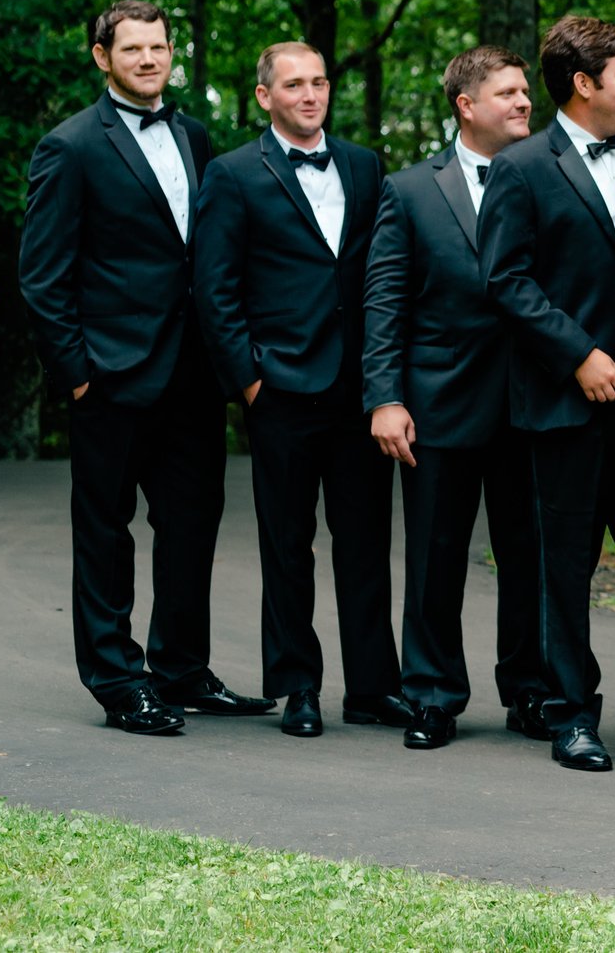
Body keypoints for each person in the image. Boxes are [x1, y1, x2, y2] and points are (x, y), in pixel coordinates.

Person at [20, 0, 267, 736]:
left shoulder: (193, 135)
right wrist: (77, 373)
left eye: (159, 46)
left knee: (192, 524)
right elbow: (41, 275)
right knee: (106, 531)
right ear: (103, 56)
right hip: (111, 373)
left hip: (194, 371)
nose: (150, 59)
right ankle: (118, 680)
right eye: (133, 49)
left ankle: (182, 669)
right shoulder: (68, 147)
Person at [477, 15, 615, 771]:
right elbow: (505, 280)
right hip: (566, 404)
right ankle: (572, 714)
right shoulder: (522, 167)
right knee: (563, 567)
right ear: (583, 83)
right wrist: (579, 356)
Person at [192, 42, 402, 739]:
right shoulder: (231, 175)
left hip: (356, 389)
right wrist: (250, 383)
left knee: (367, 542)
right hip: (279, 389)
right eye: (293, 84)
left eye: (318, 82)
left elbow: (380, 274)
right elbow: (214, 291)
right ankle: (297, 686)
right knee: (288, 543)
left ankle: (374, 686)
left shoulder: (366, 166)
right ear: (264, 96)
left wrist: (383, 378)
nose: (310, 94)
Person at [363, 45, 548, 750]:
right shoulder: (411, 189)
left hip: (533, 400)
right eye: (507, 92)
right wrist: (385, 395)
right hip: (439, 401)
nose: (524, 101)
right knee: (435, 556)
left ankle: (530, 691)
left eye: (526, 90)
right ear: (466, 106)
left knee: (530, 555)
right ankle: (433, 694)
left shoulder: (546, 177)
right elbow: (384, 298)